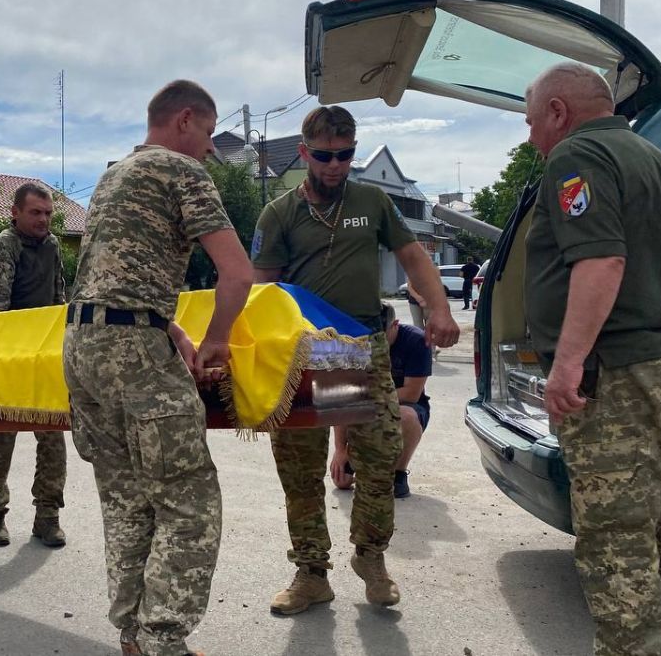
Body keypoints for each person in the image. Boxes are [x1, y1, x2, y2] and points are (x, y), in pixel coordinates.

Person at [63, 79, 252, 656]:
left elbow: (110, 278)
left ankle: (133, 632)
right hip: (133, 356)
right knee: (189, 500)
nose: (208, 152)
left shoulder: (113, 175)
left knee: (125, 497)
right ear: (186, 120)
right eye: (209, 136)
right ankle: (163, 640)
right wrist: (217, 341)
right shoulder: (181, 171)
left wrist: (173, 329)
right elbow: (238, 273)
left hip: (81, 345)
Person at [251, 105, 459, 615]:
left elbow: (413, 257)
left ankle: (371, 557)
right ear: (304, 152)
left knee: (378, 455)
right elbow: (261, 290)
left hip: (359, 351)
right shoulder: (279, 213)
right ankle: (311, 574)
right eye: (324, 155)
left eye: (345, 155)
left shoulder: (371, 201)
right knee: (299, 470)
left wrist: (438, 306)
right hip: (304, 356)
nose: (335, 165)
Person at [522, 62, 661, 655]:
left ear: (558, 113)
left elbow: (601, 262)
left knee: (617, 540)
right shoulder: (657, 160)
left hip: (620, 378)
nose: (530, 137)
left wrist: (567, 365)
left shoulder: (576, 157)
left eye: (531, 120)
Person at [0, 182, 70, 548]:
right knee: (0, 439)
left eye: (47, 213)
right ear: (15, 212)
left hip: (44, 356)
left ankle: (48, 517)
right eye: (36, 213)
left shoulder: (53, 246)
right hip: (9, 355)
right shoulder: (5, 245)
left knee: (53, 438)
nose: (44, 220)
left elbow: (59, 297)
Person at [330, 303, 432, 498]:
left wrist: (367, 396)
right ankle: (361, 459)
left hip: (405, 406)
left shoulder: (416, 341)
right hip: (366, 404)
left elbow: (411, 393)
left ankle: (398, 473)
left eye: (381, 338)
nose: (376, 345)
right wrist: (340, 450)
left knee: (406, 416)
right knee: (341, 481)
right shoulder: (357, 343)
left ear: (395, 325)